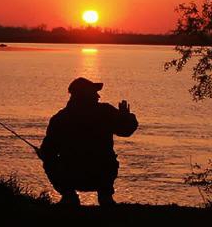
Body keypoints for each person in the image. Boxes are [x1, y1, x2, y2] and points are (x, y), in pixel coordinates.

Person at [39, 77, 138, 206]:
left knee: (49, 161)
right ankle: (105, 196)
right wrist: (126, 117)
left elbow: (48, 152)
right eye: (94, 92)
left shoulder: (60, 118)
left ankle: (69, 196)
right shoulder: (105, 112)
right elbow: (126, 131)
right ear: (85, 94)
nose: (98, 96)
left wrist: (42, 153)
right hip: (101, 174)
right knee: (108, 161)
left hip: (71, 175)